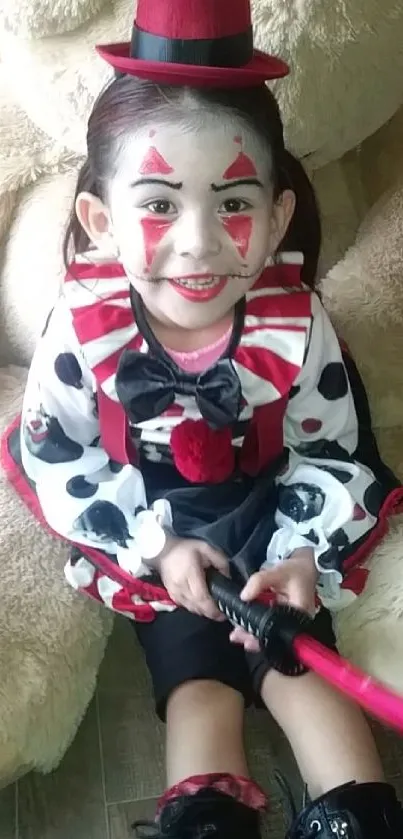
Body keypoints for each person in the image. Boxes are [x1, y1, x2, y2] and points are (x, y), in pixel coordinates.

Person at [3, 0, 403, 836]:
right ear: (98, 220)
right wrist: (157, 546)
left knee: (303, 672)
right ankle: (206, 816)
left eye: (232, 204)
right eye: (157, 204)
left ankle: (355, 814)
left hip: (272, 517)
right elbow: (56, 457)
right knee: (198, 687)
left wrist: (296, 558)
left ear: (277, 216)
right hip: (159, 533)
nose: (198, 242)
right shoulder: (81, 329)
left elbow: (331, 447)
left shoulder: (296, 323)